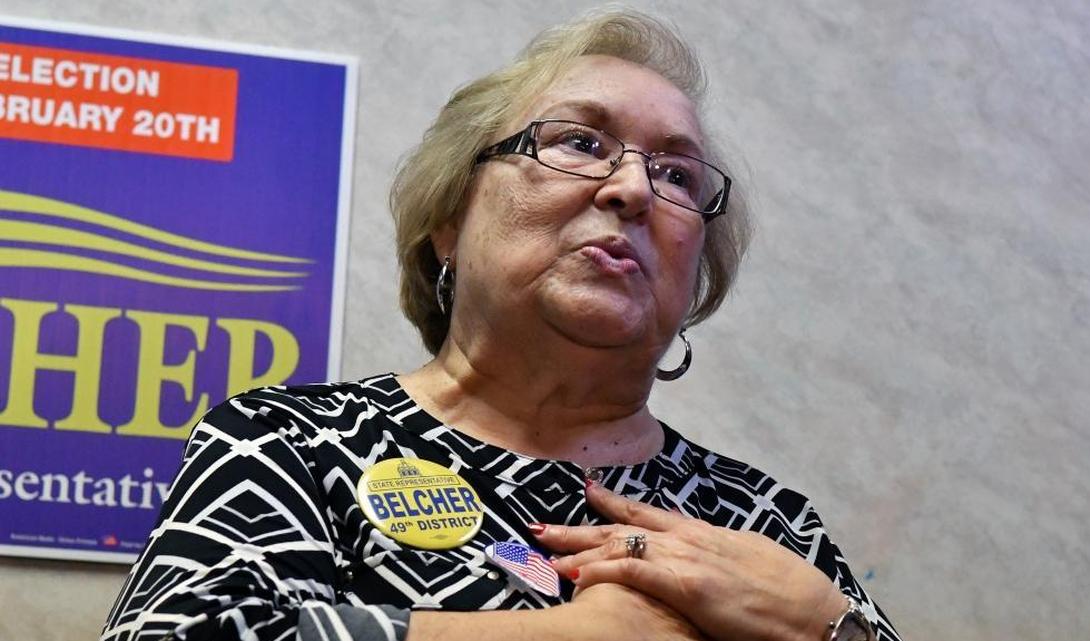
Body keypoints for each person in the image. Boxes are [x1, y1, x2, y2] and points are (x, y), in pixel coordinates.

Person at [102, 8, 901, 641]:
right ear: (450, 220)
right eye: (580, 142)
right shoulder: (292, 443)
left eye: (676, 174)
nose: (633, 189)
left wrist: (827, 630)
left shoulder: (764, 518)